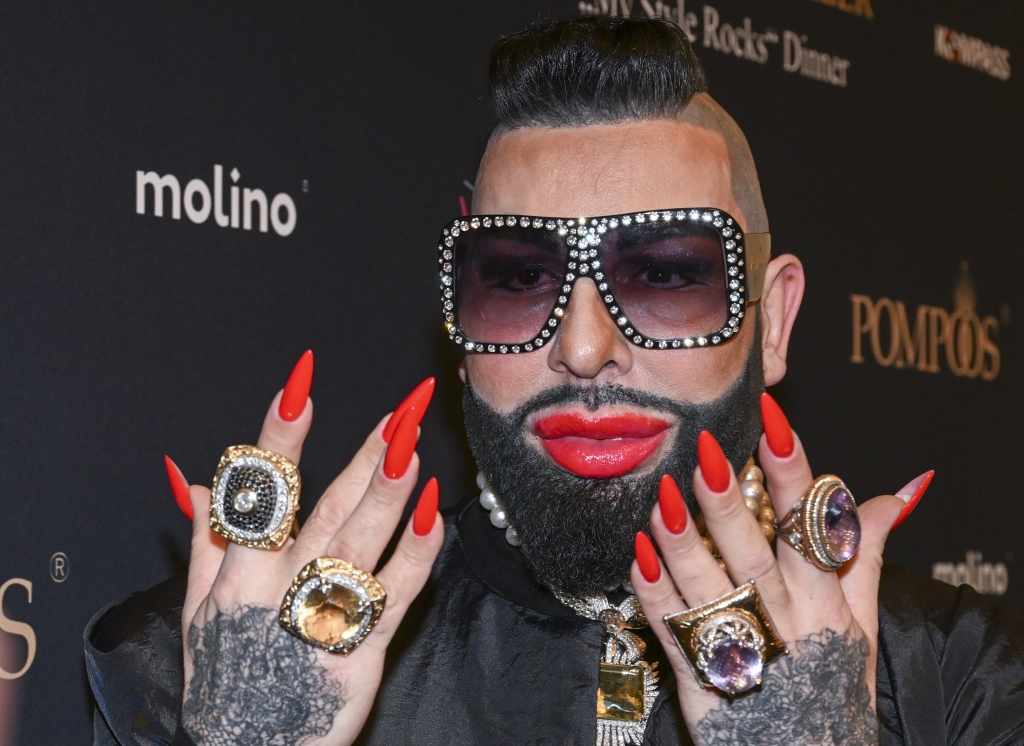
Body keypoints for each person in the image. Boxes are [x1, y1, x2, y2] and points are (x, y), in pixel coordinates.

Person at [85, 17, 1024, 746]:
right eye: (520, 279)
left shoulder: (952, 677)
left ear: (771, 322)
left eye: (665, 276)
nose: (582, 347)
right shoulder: (212, 664)